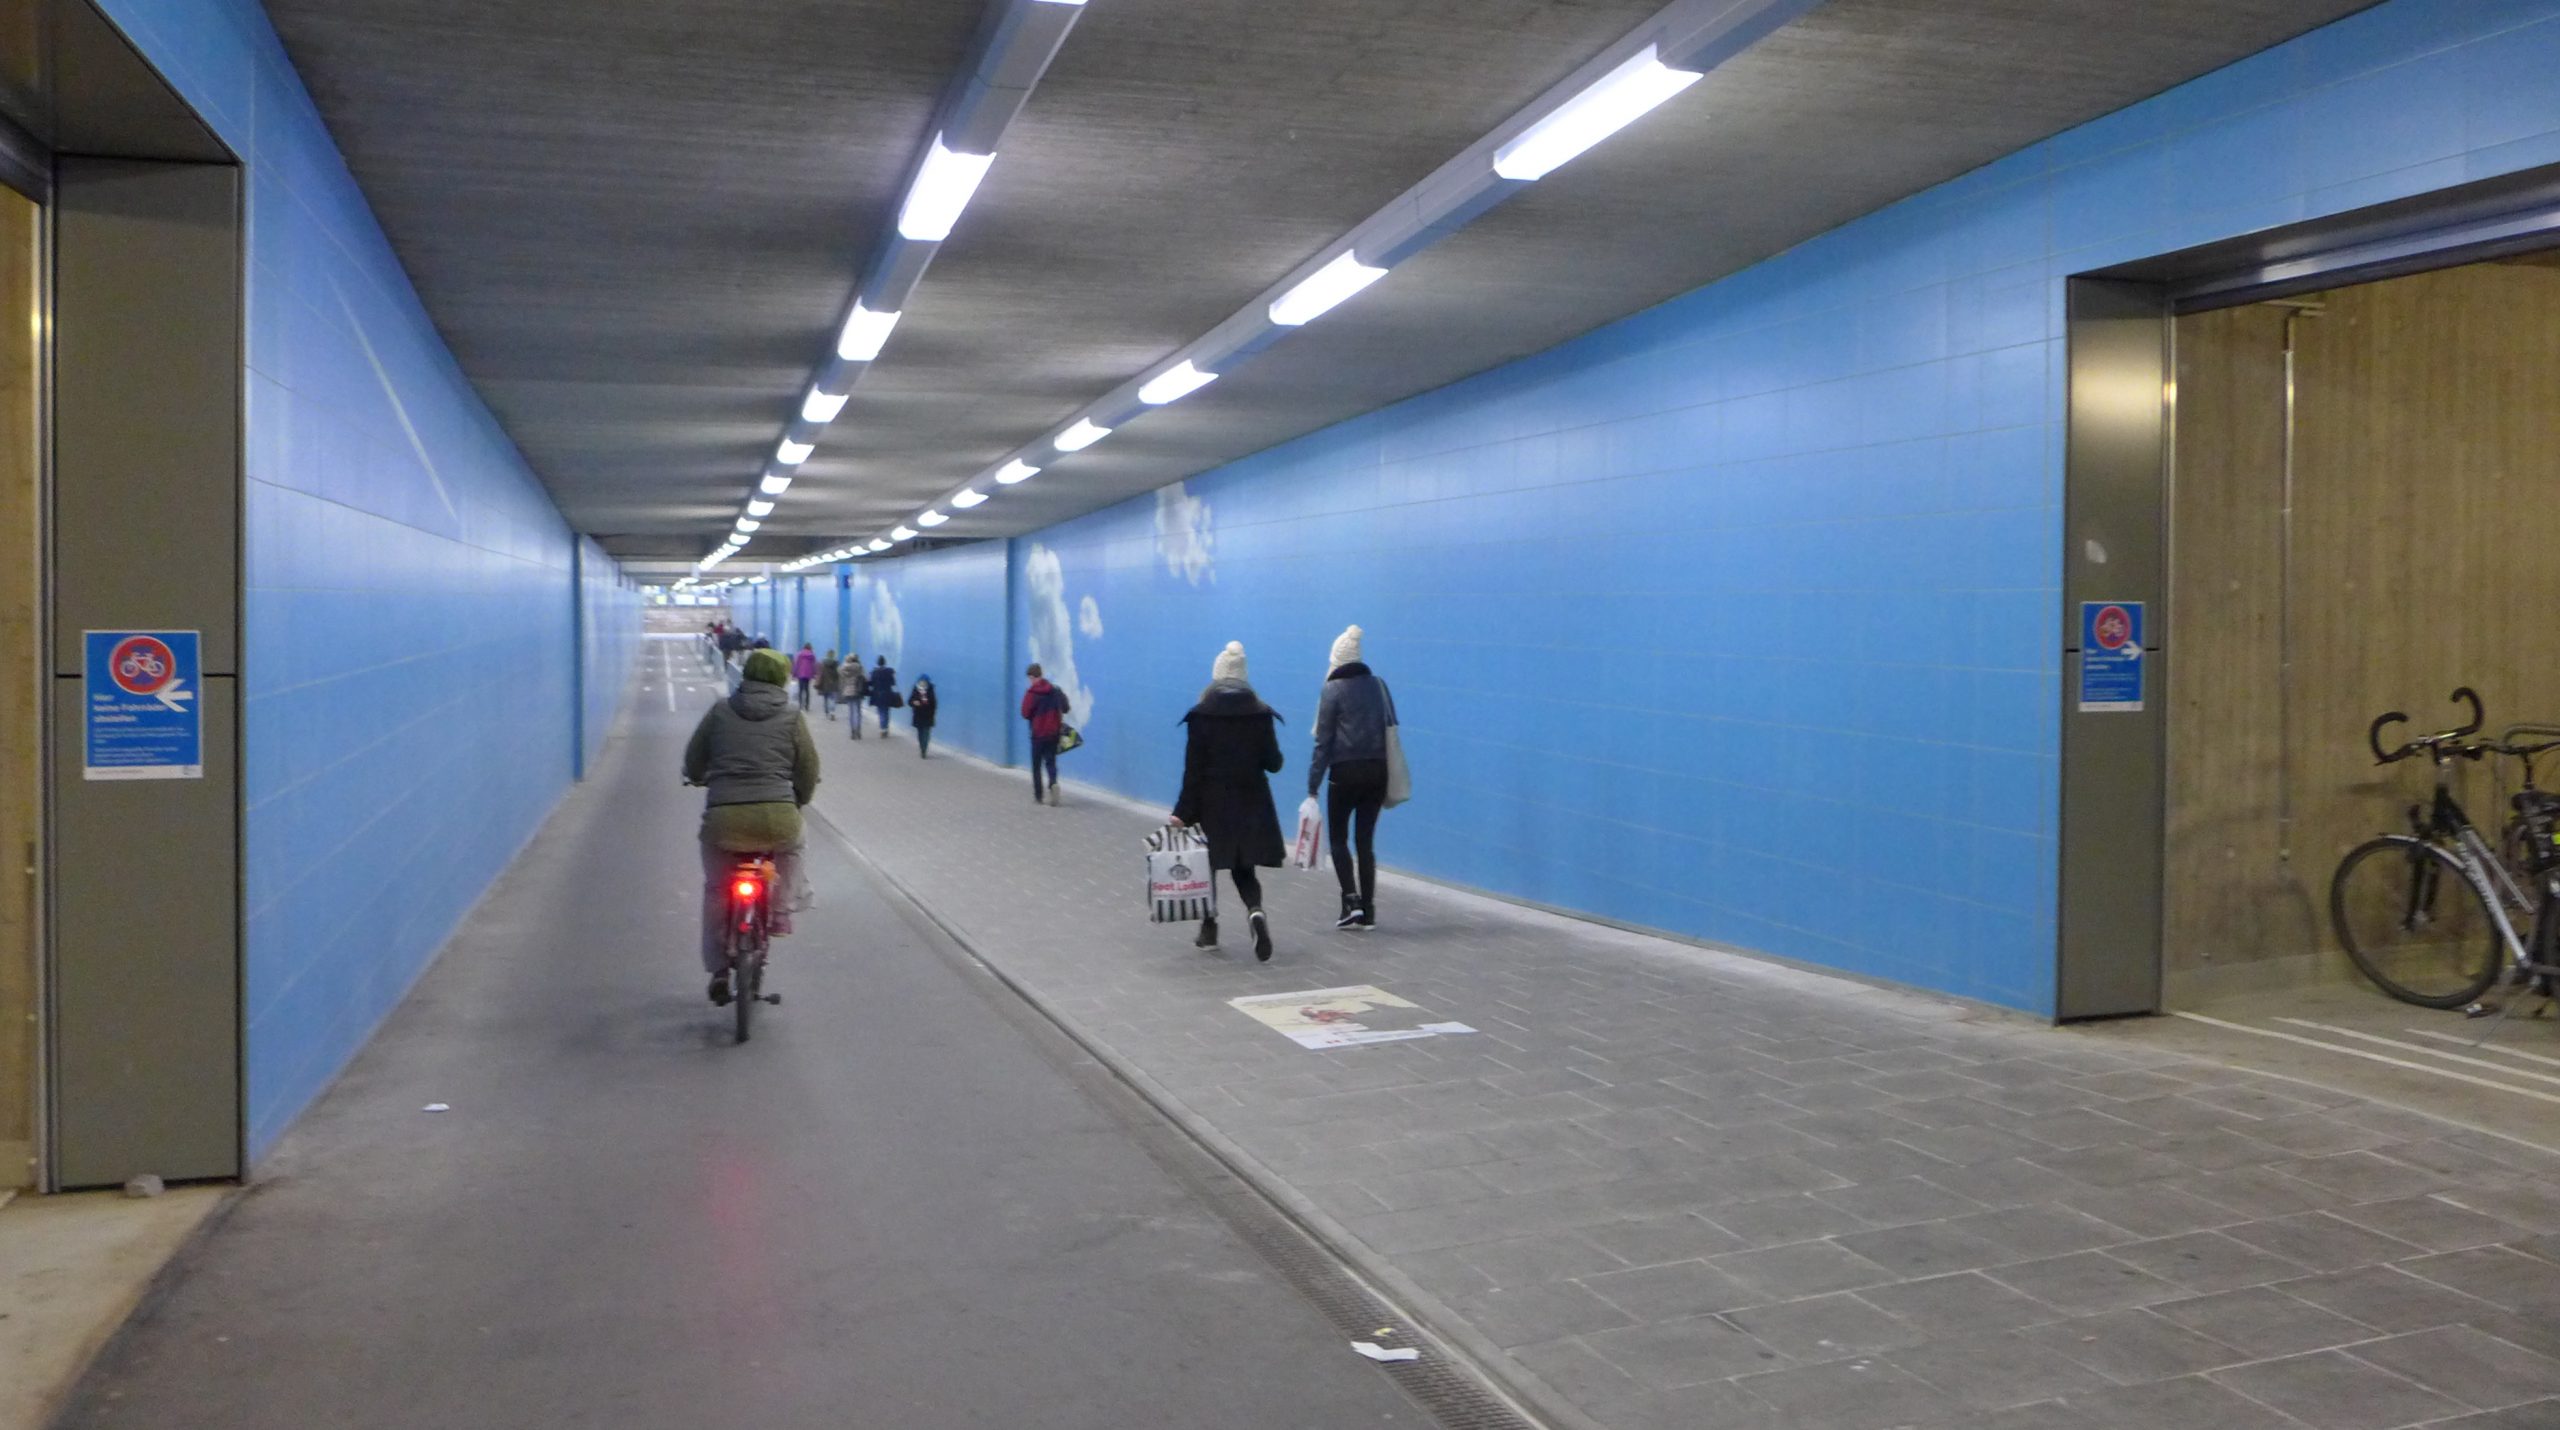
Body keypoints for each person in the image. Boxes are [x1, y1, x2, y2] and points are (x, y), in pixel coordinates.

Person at [681, 647, 818, 1006]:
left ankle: (718, 970)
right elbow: (808, 769)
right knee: (795, 843)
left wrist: (697, 777)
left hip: (724, 820)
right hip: (777, 817)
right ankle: (779, 910)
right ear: (782, 677)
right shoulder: (792, 716)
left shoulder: (721, 711)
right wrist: (798, 799)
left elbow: (694, 760)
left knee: (715, 890)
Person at [1171, 641, 1284, 962]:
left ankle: (1209, 929)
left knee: (1208, 867)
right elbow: (1274, 763)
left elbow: (1193, 771)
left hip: (1213, 803)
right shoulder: (1261, 715)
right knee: (1243, 868)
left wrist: (1182, 812)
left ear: (1217, 676)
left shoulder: (1201, 716)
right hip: (1252, 802)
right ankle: (1255, 912)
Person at [1308, 624, 1391, 930]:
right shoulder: (1378, 685)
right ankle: (1368, 910)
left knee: (1339, 839)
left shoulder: (1332, 690)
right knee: (1365, 842)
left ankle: (1350, 901)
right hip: (1377, 771)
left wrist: (1312, 785)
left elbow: (1323, 741)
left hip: (1344, 773)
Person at [1021, 663, 1069, 805]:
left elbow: (1024, 713)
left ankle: (1038, 795)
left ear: (1032, 677)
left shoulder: (1032, 694)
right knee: (1051, 761)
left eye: (1030, 678)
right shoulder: (1055, 690)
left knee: (1036, 765)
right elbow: (1066, 708)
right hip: (1053, 733)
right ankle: (1053, 783)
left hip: (1037, 734)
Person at [867, 654, 899, 738]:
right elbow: (893, 683)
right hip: (887, 693)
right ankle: (886, 727)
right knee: (886, 711)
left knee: (880, 711)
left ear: (877, 663)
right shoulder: (889, 672)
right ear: (885, 662)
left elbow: (870, 683)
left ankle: (882, 728)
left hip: (877, 694)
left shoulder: (874, 672)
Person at [908, 675, 939, 758]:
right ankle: (922, 747)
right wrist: (914, 702)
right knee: (920, 733)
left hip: (928, 716)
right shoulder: (916, 689)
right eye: (921, 682)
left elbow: (934, 703)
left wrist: (932, 713)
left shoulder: (930, 690)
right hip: (918, 715)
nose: (922, 684)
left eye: (924, 682)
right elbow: (910, 701)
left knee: (926, 733)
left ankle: (924, 750)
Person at [840, 653, 866, 739]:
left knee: (851, 712)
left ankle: (852, 732)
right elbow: (865, 679)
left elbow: (841, 676)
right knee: (858, 712)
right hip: (858, 691)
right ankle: (858, 731)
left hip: (848, 692)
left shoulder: (844, 668)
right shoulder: (860, 668)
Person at [791, 643, 818, 711]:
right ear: (810, 648)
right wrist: (814, 674)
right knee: (807, 690)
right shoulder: (812, 655)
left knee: (800, 690)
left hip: (800, 674)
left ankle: (800, 705)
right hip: (808, 675)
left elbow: (797, 664)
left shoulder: (799, 654)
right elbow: (814, 665)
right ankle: (807, 706)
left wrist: (794, 674)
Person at [816, 648, 841, 720]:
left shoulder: (823, 663)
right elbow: (837, 675)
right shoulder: (836, 663)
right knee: (833, 699)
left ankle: (826, 712)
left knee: (825, 699)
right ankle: (832, 712)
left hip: (825, 684)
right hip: (833, 684)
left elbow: (821, 674)